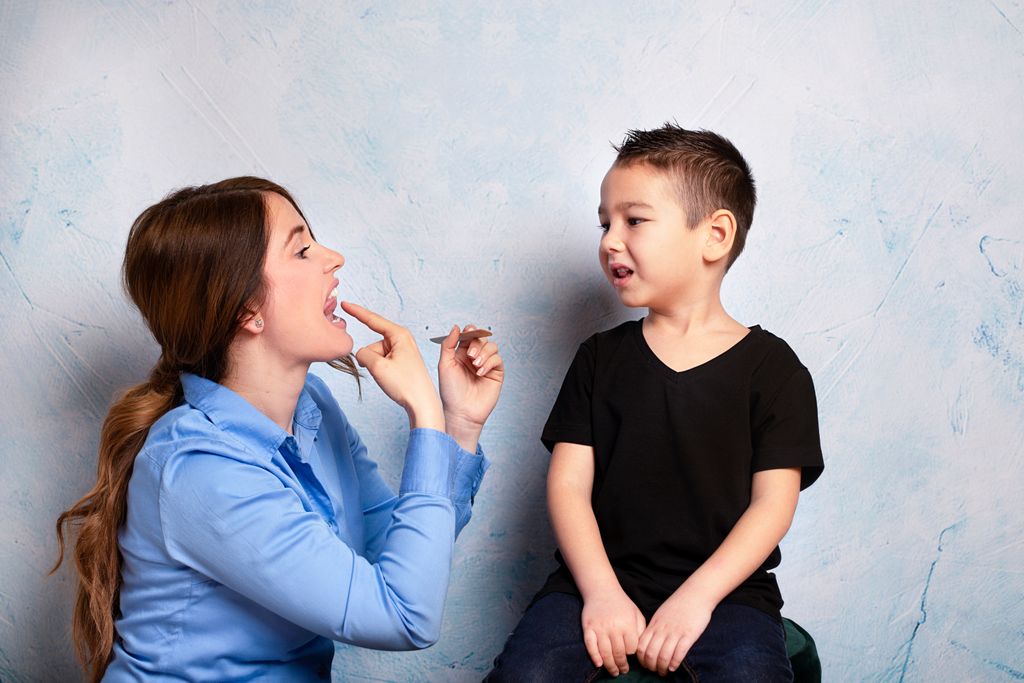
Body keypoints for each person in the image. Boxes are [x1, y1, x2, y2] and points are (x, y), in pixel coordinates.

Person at [52, 177, 504, 682]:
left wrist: (458, 426)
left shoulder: (313, 407)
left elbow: (396, 552)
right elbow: (405, 616)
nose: (334, 258)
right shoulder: (199, 469)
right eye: (303, 249)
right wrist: (425, 414)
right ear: (246, 309)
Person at [487, 125, 823, 682]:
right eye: (605, 223)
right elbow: (569, 486)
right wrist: (599, 593)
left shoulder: (775, 370)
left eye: (634, 221)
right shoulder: (599, 359)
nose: (609, 240)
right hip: (593, 582)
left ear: (714, 235)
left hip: (728, 595)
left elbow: (772, 507)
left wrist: (697, 599)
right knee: (526, 675)